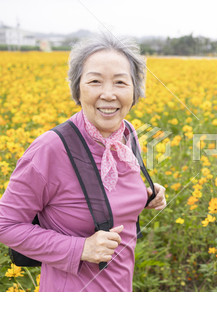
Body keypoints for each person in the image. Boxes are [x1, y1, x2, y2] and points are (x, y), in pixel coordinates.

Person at [0, 33, 167, 292]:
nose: (108, 94)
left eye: (121, 82)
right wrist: (81, 248)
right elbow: (5, 224)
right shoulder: (51, 149)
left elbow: (99, 197)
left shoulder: (126, 134)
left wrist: (144, 196)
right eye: (95, 81)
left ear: (135, 91)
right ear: (77, 88)